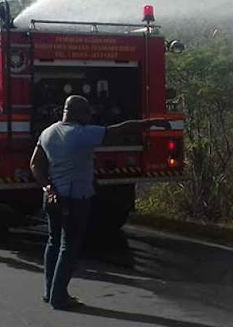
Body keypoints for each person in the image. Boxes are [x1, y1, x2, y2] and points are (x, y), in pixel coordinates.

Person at [30, 95, 170, 310]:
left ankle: (50, 292)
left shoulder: (48, 133)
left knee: (53, 242)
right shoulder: (81, 134)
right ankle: (59, 297)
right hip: (74, 199)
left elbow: (35, 164)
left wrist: (48, 187)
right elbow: (121, 129)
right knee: (69, 247)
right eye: (87, 113)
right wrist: (151, 122)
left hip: (53, 198)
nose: (89, 117)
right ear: (78, 113)